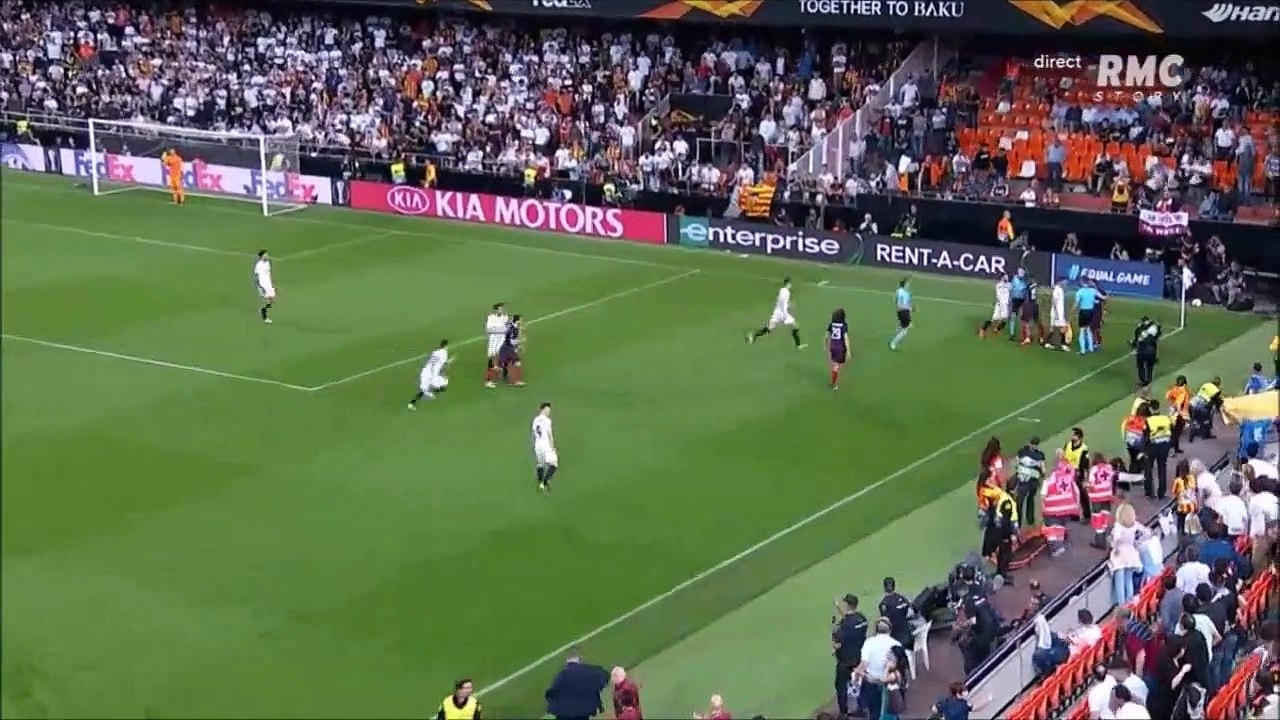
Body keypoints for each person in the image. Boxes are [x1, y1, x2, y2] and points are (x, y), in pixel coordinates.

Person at [543, 648, 609, 720]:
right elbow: (604, 676)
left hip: (565, 713)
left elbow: (551, 692)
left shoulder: (563, 674)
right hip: (583, 712)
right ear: (580, 660)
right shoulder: (589, 672)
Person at [832, 593, 869, 718]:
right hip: (859, 658)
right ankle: (862, 709)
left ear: (848, 605)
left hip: (845, 660)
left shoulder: (844, 625)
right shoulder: (862, 619)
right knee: (859, 684)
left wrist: (834, 633)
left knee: (841, 686)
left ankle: (843, 713)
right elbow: (850, 621)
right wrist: (838, 609)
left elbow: (837, 645)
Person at [856, 619, 901, 720]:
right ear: (890, 630)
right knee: (892, 714)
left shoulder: (869, 642)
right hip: (892, 686)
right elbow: (900, 668)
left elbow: (864, 663)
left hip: (874, 684)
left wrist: (857, 674)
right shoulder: (897, 644)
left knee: (875, 714)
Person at [1042, 449, 1081, 556]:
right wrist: (1076, 504)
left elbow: (1043, 495)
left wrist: (1043, 507)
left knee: (1052, 529)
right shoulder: (1068, 473)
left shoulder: (1050, 479)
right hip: (1066, 505)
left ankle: (1055, 548)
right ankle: (1062, 543)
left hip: (1053, 508)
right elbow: (1076, 490)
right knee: (1061, 525)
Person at [748, 278, 804, 349]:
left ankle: (754, 336)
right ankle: (798, 346)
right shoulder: (786, 292)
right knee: (795, 327)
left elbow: (781, 301)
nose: (791, 285)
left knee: (769, 329)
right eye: (790, 284)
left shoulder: (782, 290)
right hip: (783, 314)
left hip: (778, 313)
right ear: (788, 284)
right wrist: (786, 312)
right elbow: (783, 303)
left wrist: (788, 305)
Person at [1110, 503, 1149, 605]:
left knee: (1120, 582)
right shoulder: (1134, 524)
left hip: (1120, 555)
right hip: (1131, 553)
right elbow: (1147, 532)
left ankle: (1122, 605)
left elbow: (1117, 539)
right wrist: (1138, 542)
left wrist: (1115, 548)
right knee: (1128, 580)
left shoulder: (1118, 526)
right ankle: (1130, 603)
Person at [982, 483, 1018, 582]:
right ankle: (1001, 575)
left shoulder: (1004, 498)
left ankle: (1000, 573)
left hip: (999, 530)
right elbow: (1006, 521)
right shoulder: (1007, 502)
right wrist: (1011, 534)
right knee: (1006, 554)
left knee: (1003, 554)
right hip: (1003, 532)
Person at [1012, 436, 1046, 524]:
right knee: (1019, 501)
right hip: (1023, 481)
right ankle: (1018, 521)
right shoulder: (1022, 452)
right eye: (1033, 444)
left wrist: (1042, 473)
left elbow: (1043, 469)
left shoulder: (1040, 455)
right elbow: (1016, 463)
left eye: (1036, 444)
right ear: (1030, 443)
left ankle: (1030, 519)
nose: (1034, 446)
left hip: (1033, 481)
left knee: (1030, 499)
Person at [409, 339, 451, 408]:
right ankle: (432, 392)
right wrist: (449, 362)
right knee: (444, 384)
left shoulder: (435, 352)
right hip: (432, 375)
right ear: (446, 346)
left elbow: (433, 361)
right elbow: (443, 365)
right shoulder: (444, 353)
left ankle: (411, 404)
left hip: (425, 372)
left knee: (423, 390)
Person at [1145, 400, 1174, 499]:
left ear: (1151, 409)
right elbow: (1172, 432)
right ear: (1158, 407)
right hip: (1164, 447)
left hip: (1152, 447)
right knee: (1162, 468)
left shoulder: (1148, 420)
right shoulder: (1166, 419)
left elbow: (1145, 436)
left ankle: (1149, 492)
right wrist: (1171, 446)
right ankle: (1161, 493)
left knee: (1149, 468)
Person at [1086, 453, 1116, 548]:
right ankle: (1103, 538)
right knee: (1104, 517)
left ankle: (1100, 542)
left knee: (1098, 518)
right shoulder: (1109, 468)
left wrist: (1085, 485)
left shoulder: (1094, 470)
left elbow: (1092, 485)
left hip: (1097, 498)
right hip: (1107, 497)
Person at [1063, 427, 1092, 520]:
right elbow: (1064, 458)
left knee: (1082, 494)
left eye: (1073, 435)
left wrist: (1085, 478)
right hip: (1067, 473)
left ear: (1078, 436)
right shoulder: (1067, 445)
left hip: (1078, 474)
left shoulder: (1084, 449)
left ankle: (1087, 514)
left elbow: (1085, 465)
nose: (1071, 436)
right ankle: (1073, 514)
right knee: (1070, 494)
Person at [879, 577, 915, 648]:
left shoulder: (884, 604)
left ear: (884, 588)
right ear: (894, 586)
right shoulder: (902, 599)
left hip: (896, 640)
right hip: (908, 636)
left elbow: (886, 623)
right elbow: (911, 613)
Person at [532, 402, 559, 491]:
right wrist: (552, 448)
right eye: (547, 410)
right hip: (545, 445)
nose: (549, 412)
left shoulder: (535, 420)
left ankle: (540, 482)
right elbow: (550, 435)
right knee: (554, 464)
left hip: (537, 445)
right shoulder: (547, 421)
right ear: (543, 410)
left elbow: (534, 432)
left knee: (540, 463)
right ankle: (544, 482)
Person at [1188, 377, 1224, 441]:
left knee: (1195, 421)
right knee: (1207, 421)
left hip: (1192, 404)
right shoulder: (1216, 391)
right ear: (1218, 384)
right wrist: (1219, 406)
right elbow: (1216, 401)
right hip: (1201, 407)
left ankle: (1191, 436)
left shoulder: (1206, 384)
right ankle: (1206, 435)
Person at [1171, 460, 1199, 540]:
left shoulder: (1178, 481)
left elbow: (1175, 493)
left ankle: (1181, 540)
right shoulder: (1192, 478)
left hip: (1182, 507)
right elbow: (1195, 490)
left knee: (1181, 525)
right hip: (1191, 506)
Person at [483, 303, 510, 388]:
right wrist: (502, 330)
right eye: (499, 309)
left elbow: (507, 327)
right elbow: (489, 330)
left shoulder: (505, 317)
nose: (501, 311)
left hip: (502, 339)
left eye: (502, 309)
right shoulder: (491, 318)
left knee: (504, 355)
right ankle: (488, 381)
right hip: (494, 340)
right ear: (495, 310)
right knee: (491, 357)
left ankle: (501, 370)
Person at [978, 272, 1012, 339]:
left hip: (1005, 305)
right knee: (995, 319)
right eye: (1005, 276)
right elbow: (998, 296)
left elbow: (1010, 294)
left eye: (1007, 276)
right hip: (1000, 305)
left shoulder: (1009, 285)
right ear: (1002, 278)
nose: (1007, 277)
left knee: (1004, 319)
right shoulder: (999, 285)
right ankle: (983, 329)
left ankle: (997, 329)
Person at [1131, 316, 1162, 387]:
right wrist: (1159, 327)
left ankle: (1143, 381)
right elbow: (1158, 335)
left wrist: (1133, 344)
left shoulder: (1139, 329)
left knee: (1141, 366)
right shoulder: (1154, 327)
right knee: (1150, 366)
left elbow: (1136, 340)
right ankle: (1148, 380)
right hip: (1153, 350)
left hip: (1143, 350)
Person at [1073, 278, 1101, 354]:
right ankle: (1091, 348)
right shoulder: (1093, 291)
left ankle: (1082, 350)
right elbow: (1102, 297)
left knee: (1082, 331)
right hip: (1091, 312)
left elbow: (1076, 303)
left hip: (1083, 311)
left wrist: (1072, 310)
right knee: (1089, 330)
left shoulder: (1080, 292)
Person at [1166, 376, 1191, 455]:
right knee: (1176, 434)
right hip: (1177, 414)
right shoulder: (1183, 392)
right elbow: (1178, 404)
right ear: (1184, 384)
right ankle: (1171, 451)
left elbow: (1167, 396)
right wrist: (1182, 414)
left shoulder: (1174, 388)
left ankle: (1176, 449)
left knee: (1173, 432)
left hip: (1172, 411)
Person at [498, 315, 525, 386]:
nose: (521, 322)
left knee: (506, 362)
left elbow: (509, 324)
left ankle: (504, 373)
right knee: (517, 363)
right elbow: (512, 342)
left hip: (505, 347)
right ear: (517, 321)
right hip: (508, 348)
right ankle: (516, 381)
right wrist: (520, 341)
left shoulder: (511, 325)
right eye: (520, 320)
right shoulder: (513, 330)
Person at [827, 308, 850, 390]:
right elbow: (845, 337)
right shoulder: (844, 325)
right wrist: (848, 351)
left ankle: (834, 382)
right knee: (837, 366)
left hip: (833, 346)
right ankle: (835, 384)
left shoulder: (832, 324)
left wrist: (825, 345)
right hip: (840, 348)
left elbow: (827, 336)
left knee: (835, 364)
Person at [1123, 404, 1150, 474]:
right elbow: (1147, 434)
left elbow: (1125, 426)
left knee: (1133, 459)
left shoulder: (1131, 418)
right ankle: (1138, 472)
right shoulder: (1145, 421)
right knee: (1140, 458)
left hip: (1129, 442)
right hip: (1138, 444)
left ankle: (1132, 473)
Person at [253, 249, 276, 324]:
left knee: (272, 301)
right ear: (261, 256)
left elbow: (268, 273)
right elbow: (256, 276)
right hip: (262, 285)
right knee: (267, 300)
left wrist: (271, 283)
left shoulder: (268, 263)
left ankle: (262, 310)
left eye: (267, 254)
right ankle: (264, 316)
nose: (267, 256)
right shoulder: (259, 265)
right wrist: (260, 287)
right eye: (265, 255)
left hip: (268, 284)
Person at [890, 279, 912, 351]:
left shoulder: (899, 291)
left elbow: (895, 301)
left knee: (901, 326)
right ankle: (893, 343)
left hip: (900, 311)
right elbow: (907, 304)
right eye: (907, 285)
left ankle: (896, 338)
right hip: (904, 311)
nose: (908, 286)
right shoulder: (906, 293)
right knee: (905, 330)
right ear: (904, 285)